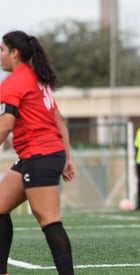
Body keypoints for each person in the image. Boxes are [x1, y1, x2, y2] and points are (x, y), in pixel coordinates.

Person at [0, 30, 75, 275]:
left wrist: (64, 156)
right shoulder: (35, 77)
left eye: (2, 50)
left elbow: (5, 125)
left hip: (40, 156)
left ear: (15, 52)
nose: (0, 56)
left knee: (49, 220)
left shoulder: (13, 82)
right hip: (38, 156)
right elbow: (59, 121)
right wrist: (67, 157)